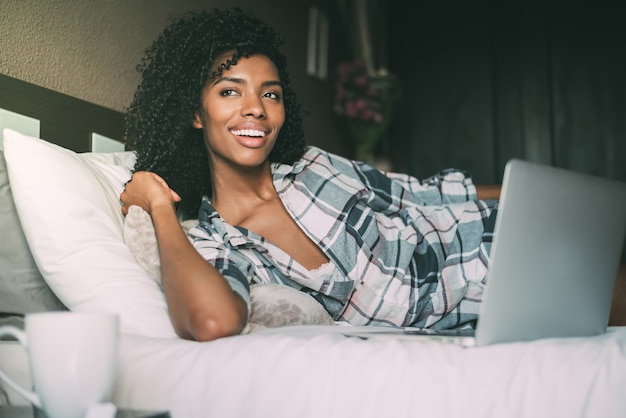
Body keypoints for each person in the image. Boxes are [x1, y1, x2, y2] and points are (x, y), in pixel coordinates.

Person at [120, 8, 623, 342]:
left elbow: (421, 195)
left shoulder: (312, 165)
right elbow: (212, 320)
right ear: (194, 112)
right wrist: (160, 205)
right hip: (475, 310)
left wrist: (545, 194)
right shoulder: (216, 239)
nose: (255, 109)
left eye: (269, 93)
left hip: (495, 246)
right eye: (230, 91)